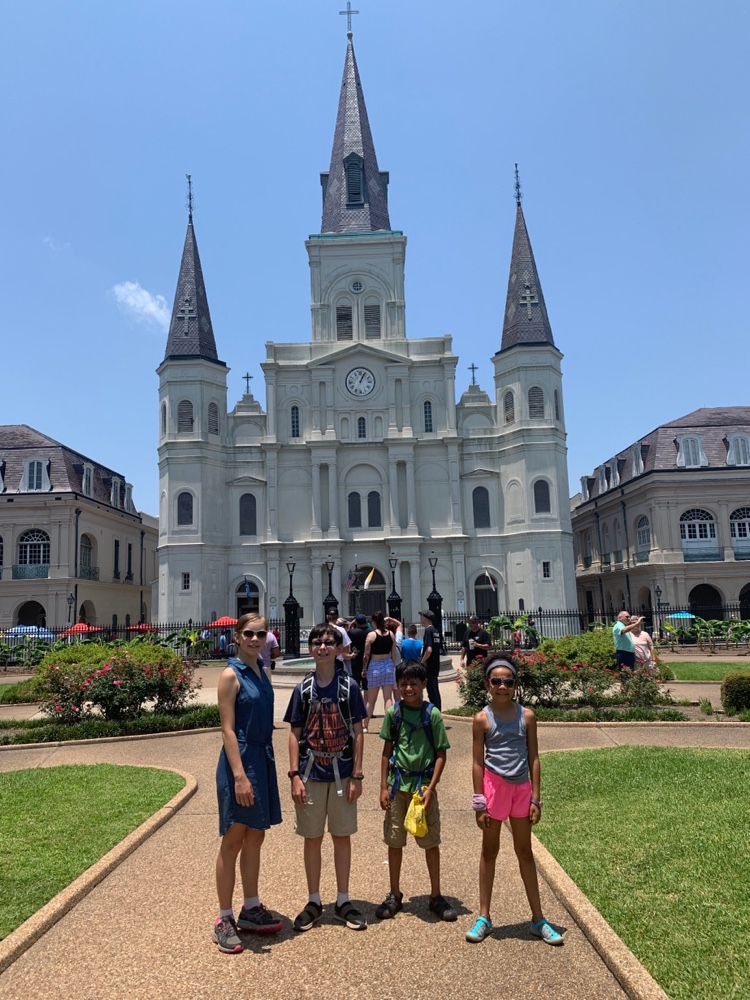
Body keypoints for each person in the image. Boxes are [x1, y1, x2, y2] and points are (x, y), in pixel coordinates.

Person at [466, 657, 563, 946]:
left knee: (524, 852)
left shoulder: (527, 716)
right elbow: (477, 762)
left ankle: (538, 919)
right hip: (494, 790)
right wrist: (479, 801)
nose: (502, 686)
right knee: (489, 851)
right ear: (487, 684)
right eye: (496, 681)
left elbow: (534, 758)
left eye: (508, 681)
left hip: (521, 789)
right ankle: (484, 916)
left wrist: (536, 798)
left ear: (515, 685)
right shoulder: (482, 719)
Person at [285, 624, 368, 931]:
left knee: (341, 836)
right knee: (312, 837)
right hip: (310, 773)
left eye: (329, 642)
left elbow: (358, 732)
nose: (323, 647)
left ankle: (343, 899)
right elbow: (294, 733)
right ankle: (314, 901)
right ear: (310, 648)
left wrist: (357, 775)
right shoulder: (303, 689)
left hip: (342, 773)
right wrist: (294, 775)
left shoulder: (350, 687)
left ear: (339, 648)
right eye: (317, 642)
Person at [213, 613, 282, 954]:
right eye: (249, 633)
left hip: (261, 757)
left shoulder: (260, 670)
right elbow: (227, 729)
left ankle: (250, 907)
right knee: (234, 837)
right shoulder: (231, 675)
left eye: (261, 634)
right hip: (240, 760)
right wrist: (239, 776)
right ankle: (224, 918)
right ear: (237, 636)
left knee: (256, 834)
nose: (255, 639)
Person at [376, 660, 456, 922]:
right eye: (403, 684)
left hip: (423, 788)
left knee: (430, 841)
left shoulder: (432, 715)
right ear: (397, 685)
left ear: (424, 684)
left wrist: (432, 788)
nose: (408, 688)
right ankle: (394, 893)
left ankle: (435, 895)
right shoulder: (394, 713)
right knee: (394, 840)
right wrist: (383, 787)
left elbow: (441, 754)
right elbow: (386, 752)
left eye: (413, 683)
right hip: (398, 786)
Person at [362, 610, 398, 733]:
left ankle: (365, 725)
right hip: (388, 664)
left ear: (374, 622)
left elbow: (366, 654)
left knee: (371, 700)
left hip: (375, 665)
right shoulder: (391, 634)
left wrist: (364, 668)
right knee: (388, 698)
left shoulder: (371, 635)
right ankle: (389, 724)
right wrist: (393, 666)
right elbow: (394, 653)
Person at [419, 610, 442, 710]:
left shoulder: (428, 631)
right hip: (435, 663)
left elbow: (429, 649)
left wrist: (422, 661)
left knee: (431, 691)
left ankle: (435, 712)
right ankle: (438, 710)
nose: (420, 618)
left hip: (429, 665)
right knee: (435, 689)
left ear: (425, 618)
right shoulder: (435, 631)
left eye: (421, 616)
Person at [612, 610, 644, 680]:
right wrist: (636, 624)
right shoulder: (618, 625)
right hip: (623, 654)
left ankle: (628, 685)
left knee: (630, 673)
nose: (629, 618)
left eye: (629, 617)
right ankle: (625, 686)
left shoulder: (623, 625)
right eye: (627, 617)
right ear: (620, 617)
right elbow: (624, 630)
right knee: (625, 674)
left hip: (628, 654)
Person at [326, 610, 353, 674]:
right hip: (338, 661)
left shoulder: (321, 629)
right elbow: (346, 647)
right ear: (338, 617)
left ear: (327, 616)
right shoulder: (341, 630)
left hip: (324, 660)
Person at [347, 613, 370, 689]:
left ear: (356, 622)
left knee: (355, 684)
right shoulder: (371, 632)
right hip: (368, 660)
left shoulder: (352, 632)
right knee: (367, 686)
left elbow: (349, 642)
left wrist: (351, 625)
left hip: (356, 660)